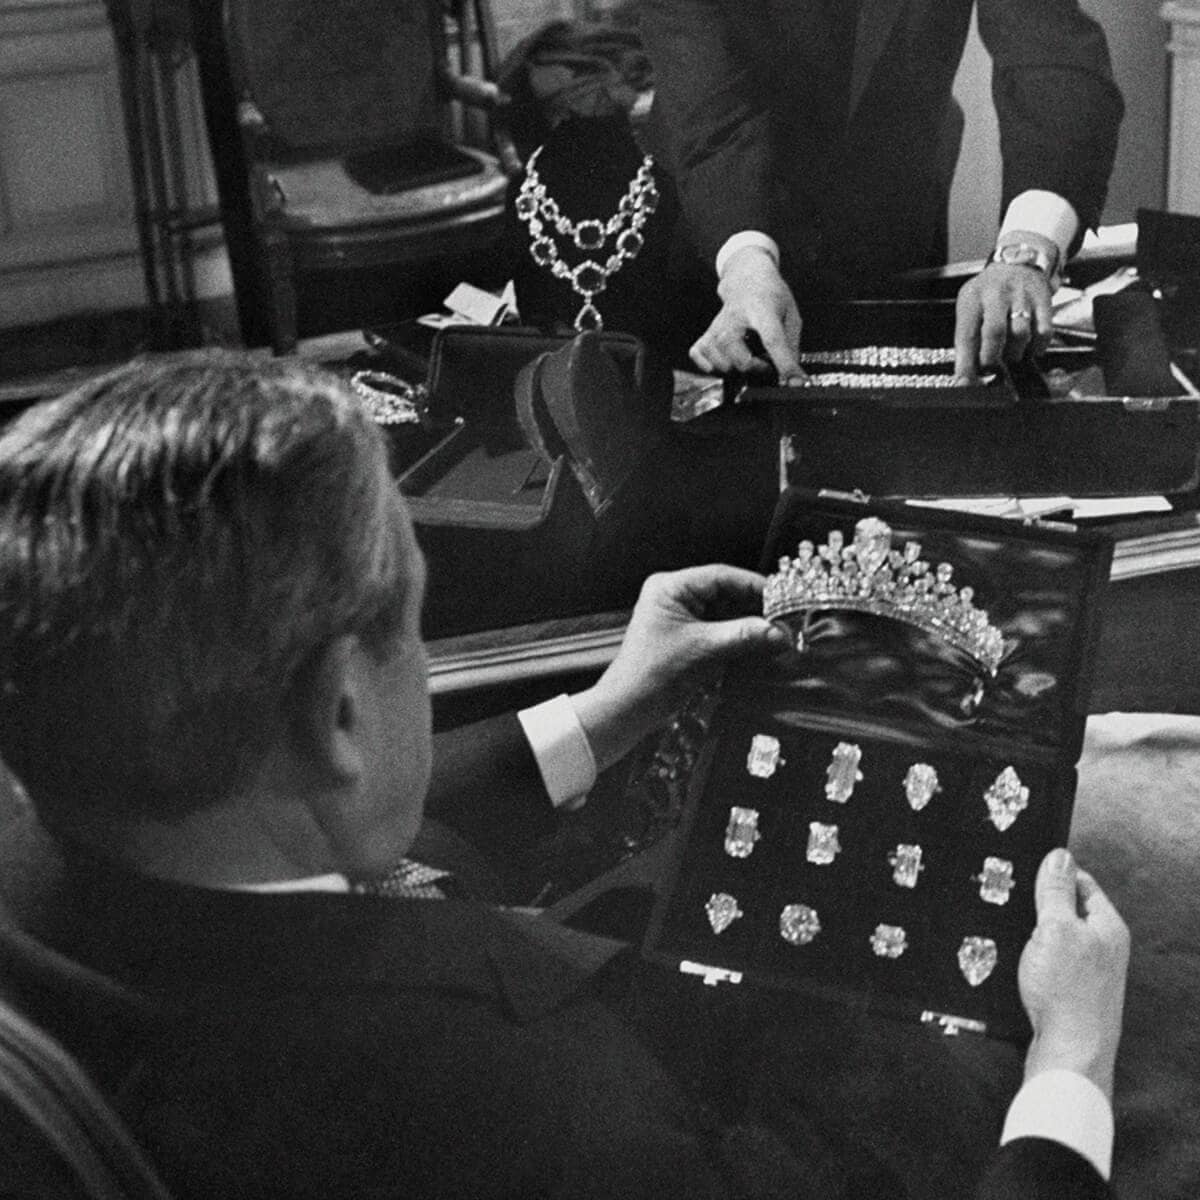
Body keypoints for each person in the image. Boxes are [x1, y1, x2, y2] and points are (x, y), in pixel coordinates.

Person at [0, 351, 1128, 1198]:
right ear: (341, 713)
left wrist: (595, 719)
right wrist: (1068, 1071)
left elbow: (269, 829)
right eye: (413, 626)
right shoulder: (530, 1113)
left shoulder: (51, 852)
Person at [638, 0, 1125, 383]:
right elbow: (710, 113)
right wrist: (746, 261)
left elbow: (1054, 58)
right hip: (716, 239)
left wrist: (1025, 252)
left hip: (890, 237)